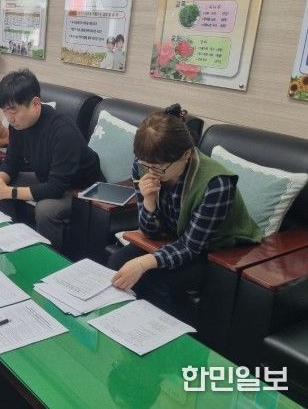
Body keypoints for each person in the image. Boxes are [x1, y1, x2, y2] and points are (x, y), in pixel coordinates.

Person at [108, 104, 262, 320]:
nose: (151, 171)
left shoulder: (216, 184)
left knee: (156, 279)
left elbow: (191, 246)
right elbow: (150, 232)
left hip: (217, 248)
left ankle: (158, 334)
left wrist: (143, 263)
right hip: (174, 237)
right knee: (117, 263)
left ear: (186, 154)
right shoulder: (145, 166)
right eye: (146, 164)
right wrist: (149, 201)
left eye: (159, 167)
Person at [0, 69, 103, 247]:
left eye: (13, 111)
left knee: (45, 209)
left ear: (35, 103)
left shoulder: (63, 131)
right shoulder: (18, 125)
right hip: (47, 177)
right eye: (5, 111)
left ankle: (50, 257)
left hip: (81, 189)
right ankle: (11, 239)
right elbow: (11, 162)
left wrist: (8, 191)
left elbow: (56, 188)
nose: (9, 118)